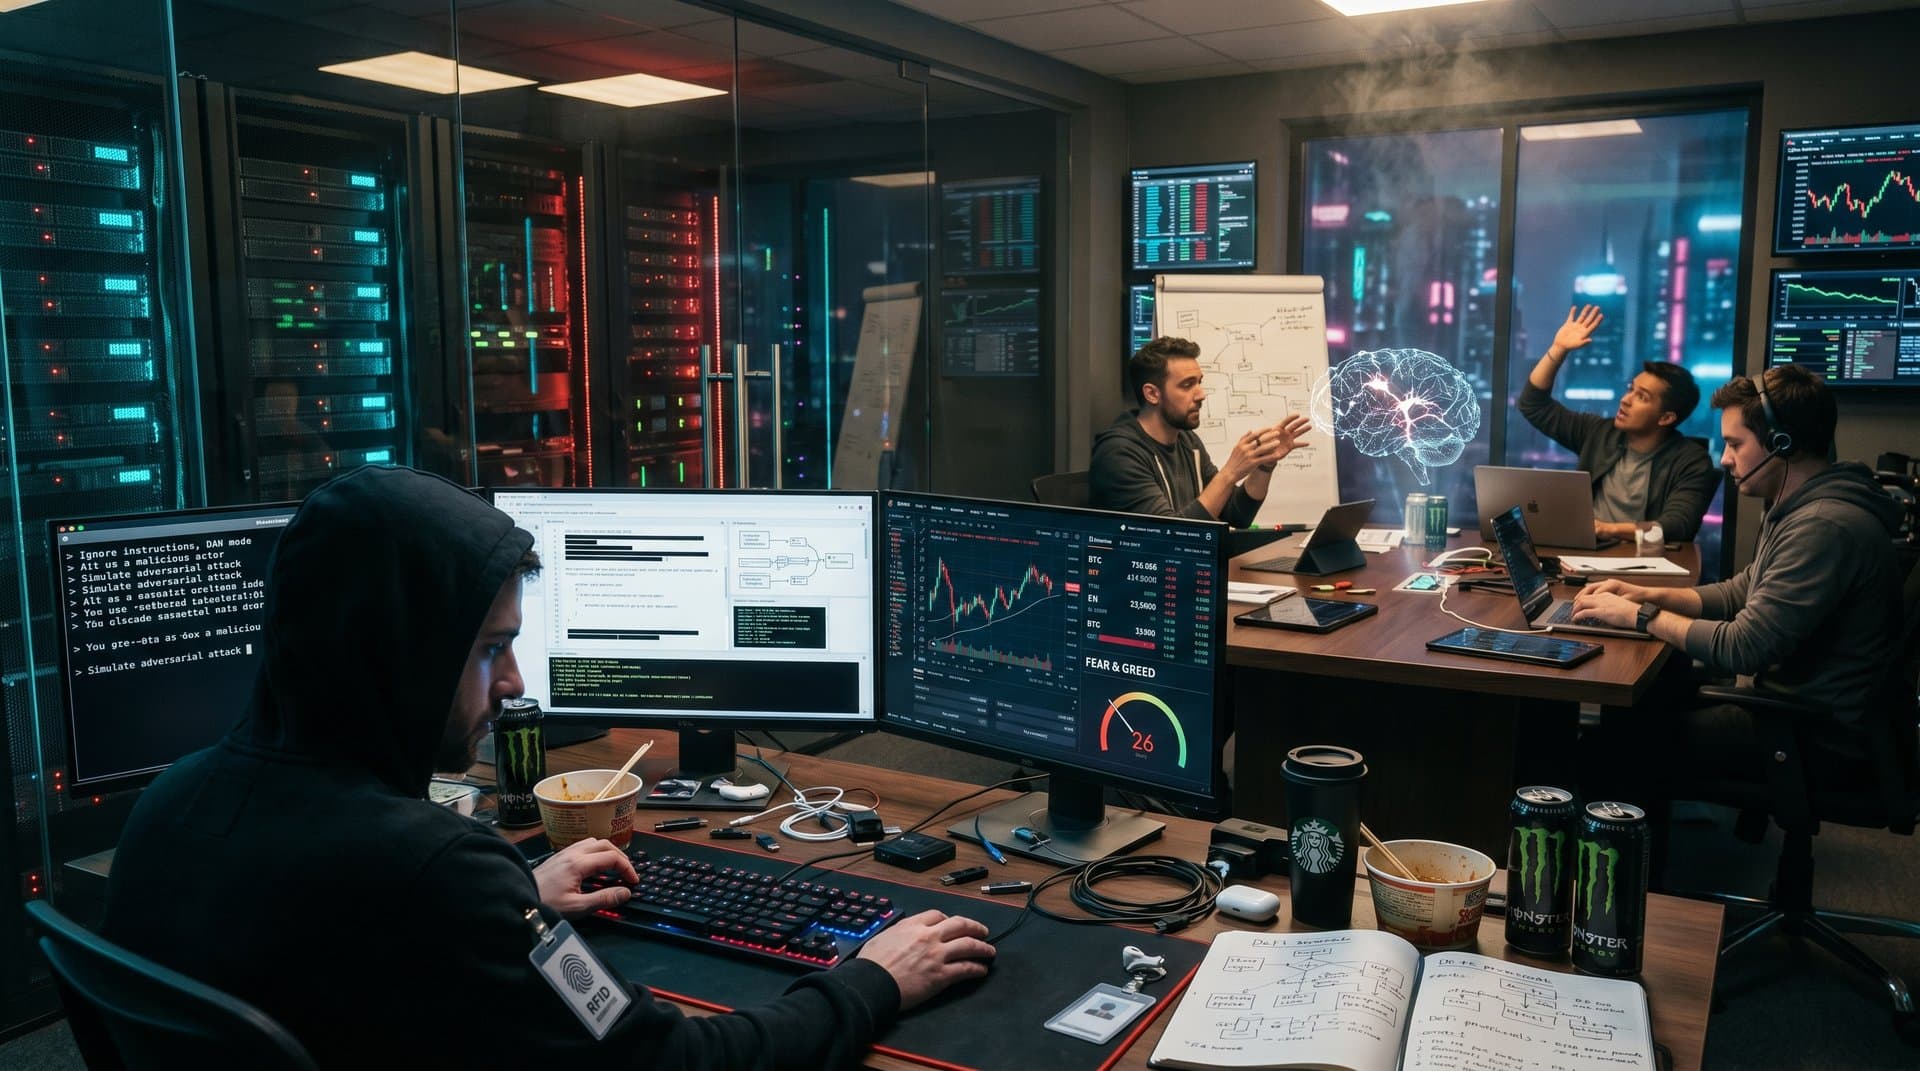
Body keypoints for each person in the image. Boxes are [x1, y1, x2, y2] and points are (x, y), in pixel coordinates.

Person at [103, 466, 993, 1068]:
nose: (516, 682)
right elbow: (667, 1061)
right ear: (398, 656)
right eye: (490, 650)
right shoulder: (435, 874)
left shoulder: (168, 806)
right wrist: (870, 979)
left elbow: (346, 939)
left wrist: (518, 896)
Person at [1570, 364, 1902, 774]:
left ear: (1781, 443)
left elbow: (1743, 648)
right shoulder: (1801, 507)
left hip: (1811, 731)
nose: (1725, 459)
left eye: (1735, 444)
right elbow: (1741, 591)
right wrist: (1645, 595)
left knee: (1613, 743)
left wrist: (1641, 617)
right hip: (1789, 703)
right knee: (1649, 697)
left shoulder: (1823, 526)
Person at [1518, 305, 1719, 543]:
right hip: (1586, 555)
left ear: (1666, 417)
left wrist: (1606, 529)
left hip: (1644, 564)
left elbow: (1677, 526)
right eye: (1630, 389)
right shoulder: (1600, 433)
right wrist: (1558, 349)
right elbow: (1533, 404)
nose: (1625, 400)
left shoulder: (1692, 462)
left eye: (1641, 397)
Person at [1090, 336, 1311, 524]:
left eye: (1199, 382)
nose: (1201, 395)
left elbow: (1237, 515)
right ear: (1152, 394)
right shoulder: (1119, 454)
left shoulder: (1187, 441)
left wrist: (1264, 465)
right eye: (1187, 385)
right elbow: (1171, 538)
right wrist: (1230, 473)